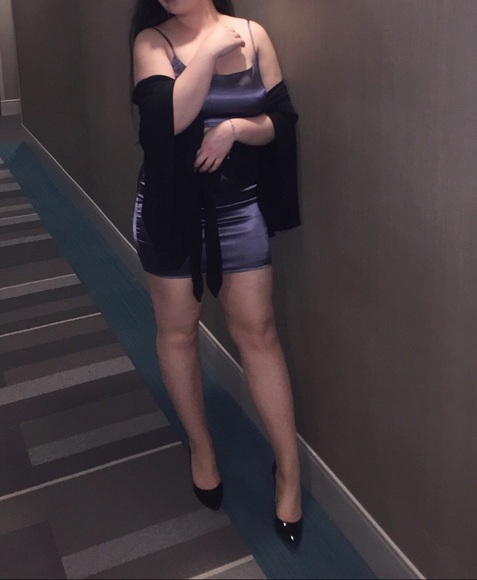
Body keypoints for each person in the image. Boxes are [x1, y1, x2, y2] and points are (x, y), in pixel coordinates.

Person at [129, 0, 303, 548]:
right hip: (171, 210)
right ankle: (201, 447)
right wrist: (207, 51)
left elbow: (281, 121)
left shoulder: (253, 35)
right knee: (179, 332)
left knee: (259, 332)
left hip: (239, 208)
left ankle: (289, 472)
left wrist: (234, 129)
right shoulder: (151, 42)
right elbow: (168, 121)